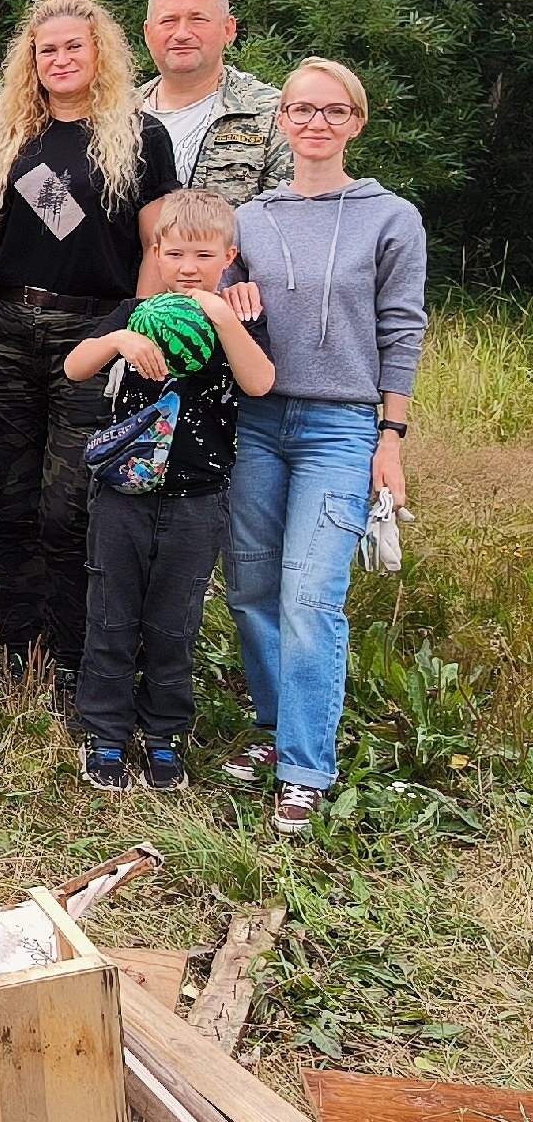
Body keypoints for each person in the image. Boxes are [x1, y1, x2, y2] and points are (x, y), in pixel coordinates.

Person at [0, 0, 181, 702]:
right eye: (46, 49)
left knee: (69, 507)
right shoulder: (11, 138)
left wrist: (140, 327)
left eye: (72, 47)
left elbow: (156, 243)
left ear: (99, 53)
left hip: (96, 333)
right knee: (11, 505)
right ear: (32, 59)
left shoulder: (142, 137)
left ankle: (76, 660)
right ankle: (22, 656)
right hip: (5, 333)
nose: (60, 58)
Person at [220, 59, 427, 836]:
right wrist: (233, 297)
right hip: (259, 419)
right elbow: (214, 289)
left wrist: (392, 436)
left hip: (341, 426)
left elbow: (402, 328)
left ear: (356, 123)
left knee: (312, 593)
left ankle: (308, 766)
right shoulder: (251, 217)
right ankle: (274, 733)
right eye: (302, 110)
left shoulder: (390, 218)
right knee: (251, 588)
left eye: (333, 111)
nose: (315, 123)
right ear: (281, 121)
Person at [63, 191, 274, 791]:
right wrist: (118, 343)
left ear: (228, 256)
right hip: (122, 495)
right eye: (174, 252)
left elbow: (260, 383)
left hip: (197, 499)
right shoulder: (134, 312)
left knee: (174, 621)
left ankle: (163, 736)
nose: (187, 267)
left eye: (203, 255)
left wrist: (225, 318)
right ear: (154, 252)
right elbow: (76, 366)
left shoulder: (239, 319)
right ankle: (104, 733)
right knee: (110, 613)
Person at [138, 0, 292, 202]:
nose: (181, 34)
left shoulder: (275, 114)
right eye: (168, 21)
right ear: (148, 33)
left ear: (228, 29)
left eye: (198, 19)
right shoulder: (114, 115)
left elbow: (288, 215)